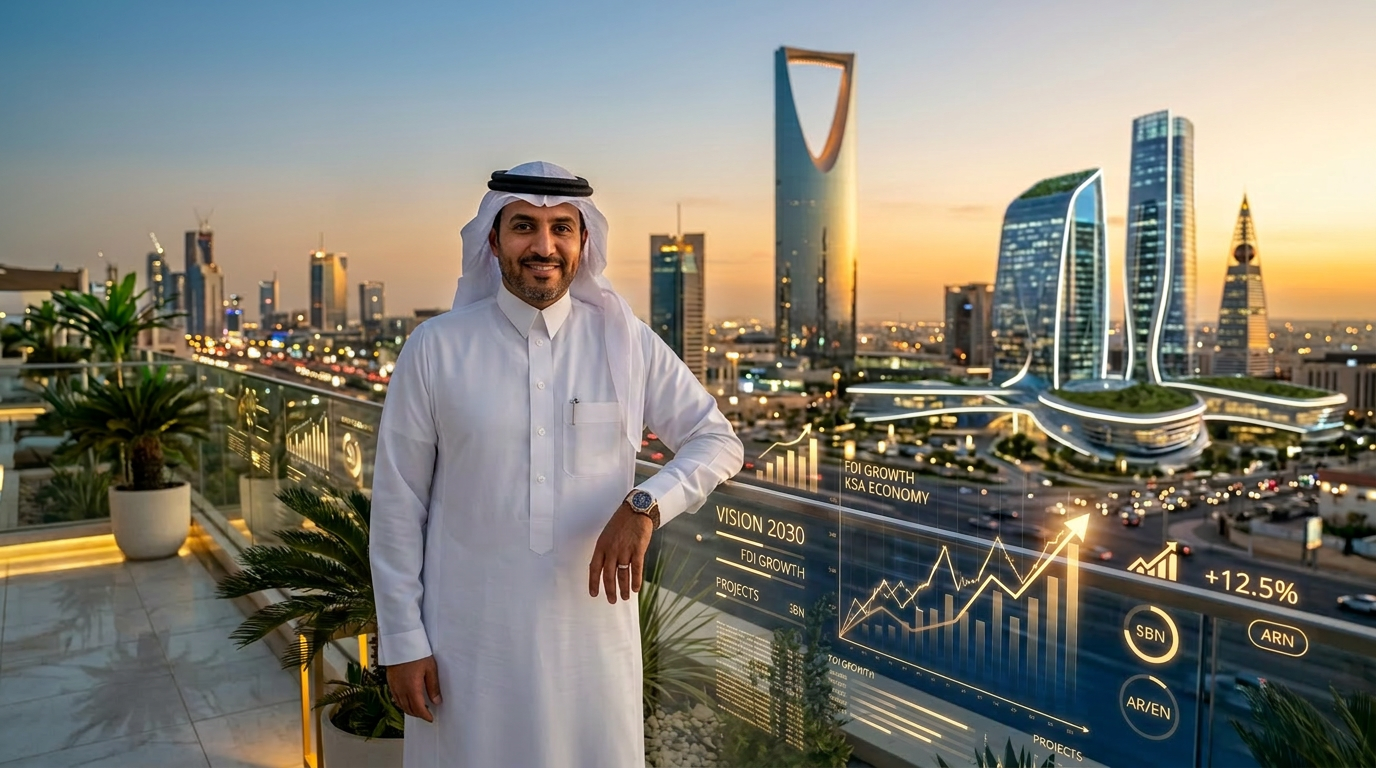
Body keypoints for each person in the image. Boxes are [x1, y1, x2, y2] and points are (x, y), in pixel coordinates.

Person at [370, 160, 744, 767]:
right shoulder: (436, 348)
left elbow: (717, 440)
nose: (543, 246)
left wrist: (645, 505)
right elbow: (396, 505)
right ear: (493, 240)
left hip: (591, 644)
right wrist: (403, 641)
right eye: (524, 227)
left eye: (562, 229)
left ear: (583, 241)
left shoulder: (627, 344)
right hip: (468, 640)